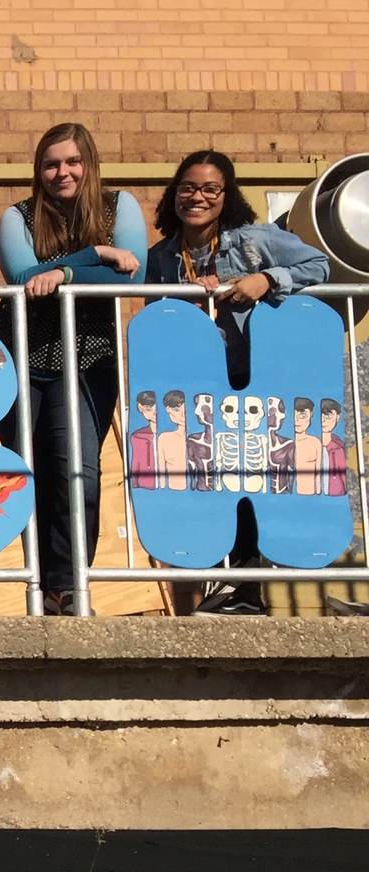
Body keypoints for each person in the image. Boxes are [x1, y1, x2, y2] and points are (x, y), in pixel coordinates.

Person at [147, 149, 330, 617]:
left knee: (248, 472)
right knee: (210, 479)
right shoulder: (164, 255)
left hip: (253, 376)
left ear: (226, 196)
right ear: (175, 193)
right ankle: (227, 583)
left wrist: (267, 279)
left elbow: (317, 266)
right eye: (188, 187)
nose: (198, 197)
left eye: (210, 188)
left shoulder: (254, 239)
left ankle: (246, 587)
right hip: (198, 381)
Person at [0, 122, 147, 615]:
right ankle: (39, 587)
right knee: (28, 477)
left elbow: (132, 272)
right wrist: (94, 256)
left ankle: (70, 585)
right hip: (20, 358)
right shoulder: (17, 216)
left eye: (72, 162)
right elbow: (21, 275)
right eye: (52, 163)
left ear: (90, 164)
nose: (63, 172)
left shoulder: (120, 207)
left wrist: (63, 272)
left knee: (76, 472)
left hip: (89, 358)